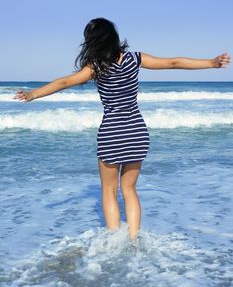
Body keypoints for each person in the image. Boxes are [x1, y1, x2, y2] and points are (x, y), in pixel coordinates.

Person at [14, 17, 231, 241]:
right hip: (137, 131)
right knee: (130, 190)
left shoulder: (96, 67)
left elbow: (63, 82)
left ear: (92, 41)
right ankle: (134, 240)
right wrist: (211, 63)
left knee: (109, 191)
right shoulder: (134, 59)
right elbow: (173, 62)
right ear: (114, 38)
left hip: (111, 132)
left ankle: (114, 240)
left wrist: (33, 94)